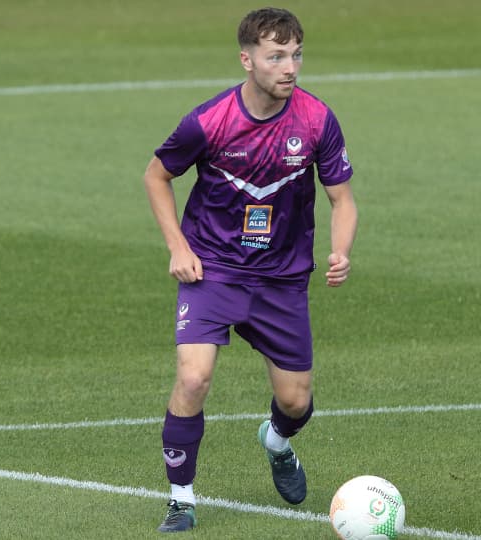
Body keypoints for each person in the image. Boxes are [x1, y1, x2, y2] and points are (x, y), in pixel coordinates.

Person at [143, 7, 358, 533]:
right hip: (212, 270)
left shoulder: (315, 119)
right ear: (247, 60)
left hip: (282, 279)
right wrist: (177, 246)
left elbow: (343, 199)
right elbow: (156, 176)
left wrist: (341, 249)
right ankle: (181, 498)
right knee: (193, 378)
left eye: (296, 55)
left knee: (296, 400)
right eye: (277, 56)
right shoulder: (209, 121)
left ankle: (277, 441)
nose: (290, 67)